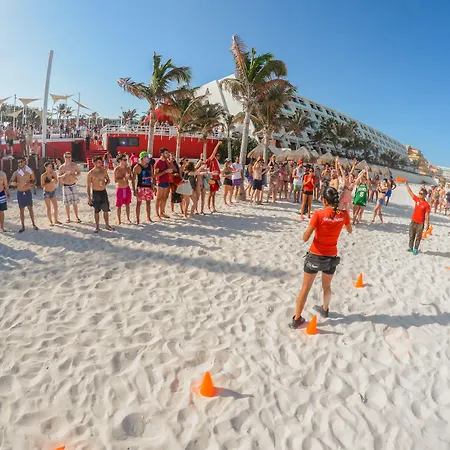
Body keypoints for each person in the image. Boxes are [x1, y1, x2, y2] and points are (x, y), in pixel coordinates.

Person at [290, 187, 352, 328]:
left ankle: (297, 319)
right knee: (327, 286)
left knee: (305, 288)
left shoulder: (318, 214)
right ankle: (324, 309)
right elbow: (349, 230)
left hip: (315, 255)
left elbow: (305, 237)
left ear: (324, 200)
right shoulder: (343, 214)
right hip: (331, 256)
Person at [10, 157, 39, 233]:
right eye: (18, 162)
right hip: (20, 192)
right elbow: (11, 182)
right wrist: (14, 183)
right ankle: (23, 226)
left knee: (30, 208)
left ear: (24, 162)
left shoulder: (29, 171)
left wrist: (30, 184)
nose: (20, 163)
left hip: (27, 191)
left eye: (21, 161)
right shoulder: (16, 172)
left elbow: (34, 180)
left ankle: (33, 224)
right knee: (21, 210)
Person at [87, 156, 114, 233]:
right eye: (98, 162)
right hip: (95, 193)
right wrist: (89, 197)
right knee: (96, 210)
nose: (100, 164)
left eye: (101, 162)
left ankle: (107, 225)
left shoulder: (103, 171)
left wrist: (105, 183)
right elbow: (88, 186)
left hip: (103, 192)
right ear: (94, 163)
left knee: (106, 209)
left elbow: (108, 180)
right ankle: (97, 226)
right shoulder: (91, 173)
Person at [405, 181, 430, 255]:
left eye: (421, 194)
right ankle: (410, 247)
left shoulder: (426, 205)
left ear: (425, 195)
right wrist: (406, 185)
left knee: (418, 237)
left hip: (420, 223)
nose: (419, 194)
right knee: (411, 235)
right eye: (419, 193)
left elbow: (427, 215)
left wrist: (427, 224)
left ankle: (416, 249)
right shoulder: (417, 199)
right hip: (413, 220)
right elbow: (410, 192)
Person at [58, 152, 81, 223]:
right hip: (66, 186)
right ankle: (68, 218)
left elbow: (79, 172)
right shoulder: (62, 167)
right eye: (66, 157)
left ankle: (77, 217)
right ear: (64, 158)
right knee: (67, 203)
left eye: (69, 157)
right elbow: (59, 177)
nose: (68, 158)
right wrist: (64, 175)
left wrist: (74, 175)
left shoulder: (74, 165)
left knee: (75, 202)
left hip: (73, 185)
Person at [132, 151, 154, 224]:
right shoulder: (137, 167)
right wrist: (134, 190)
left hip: (148, 187)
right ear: (142, 158)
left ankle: (148, 217)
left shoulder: (150, 166)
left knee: (148, 203)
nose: (148, 158)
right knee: (139, 203)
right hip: (140, 187)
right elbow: (133, 180)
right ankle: (137, 219)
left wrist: (153, 185)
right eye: (147, 157)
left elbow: (152, 176)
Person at [154, 148, 172, 219]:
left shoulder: (166, 161)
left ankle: (162, 212)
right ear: (162, 154)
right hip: (160, 182)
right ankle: (157, 213)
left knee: (165, 198)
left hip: (167, 181)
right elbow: (155, 175)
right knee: (159, 198)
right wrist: (165, 171)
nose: (167, 154)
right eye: (166, 153)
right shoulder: (158, 162)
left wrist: (169, 171)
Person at [41, 162, 61, 226]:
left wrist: (55, 181)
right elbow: (42, 185)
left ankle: (56, 220)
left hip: (52, 191)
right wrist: (49, 183)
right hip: (46, 192)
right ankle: (50, 221)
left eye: (51, 167)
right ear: (46, 167)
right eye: (49, 167)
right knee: (48, 208)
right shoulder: (43, 176)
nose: (51, 168)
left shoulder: (54, 173)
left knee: (56, 206)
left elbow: (57, 182)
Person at [114, 154, 133, 224]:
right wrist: (124, 178)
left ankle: (128, 218)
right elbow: (115, 180)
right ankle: (119, 220)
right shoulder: (117, 169)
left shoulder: (128, 168)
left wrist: (129, 177)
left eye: (126, 160)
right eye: (124, 160)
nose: (125, 161)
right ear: (120, 160)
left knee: (127, 204)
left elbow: (131, 179)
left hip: (127, 188)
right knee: (119, 205)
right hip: (120, 188)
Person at [205, 142, 222, 212]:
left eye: (218, 155)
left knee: (214, 194)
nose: (217, 156)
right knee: (210, 193)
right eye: (216, 155)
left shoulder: (217, 162)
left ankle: (213, 207)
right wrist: (217, 145)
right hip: (212, 178)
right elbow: (214, 152)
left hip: (216, 178)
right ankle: (209, 206)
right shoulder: (212, 159)